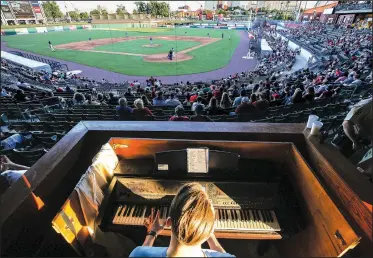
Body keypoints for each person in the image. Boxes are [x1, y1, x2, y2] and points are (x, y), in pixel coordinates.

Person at [130, 182, 234, 257]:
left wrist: (152, 233)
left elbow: (144, 251)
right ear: (208, 230)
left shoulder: (138, 253)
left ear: (169, 222)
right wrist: (208, 233)